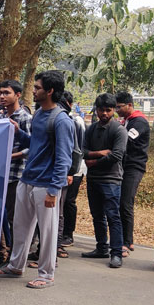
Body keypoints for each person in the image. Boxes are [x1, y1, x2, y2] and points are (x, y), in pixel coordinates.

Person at [0, 71, 74, 288]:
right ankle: (16, 265)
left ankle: (46, 274)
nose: (34, 91)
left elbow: (64, 158)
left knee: (47, 232)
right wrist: (18, 132)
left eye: (37, 88)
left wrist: (54, 190)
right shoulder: (38, 115)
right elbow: (35, 144)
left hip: (46, 184)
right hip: (27, 179)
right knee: (20, 227)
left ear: (50, 91)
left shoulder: (61, 120)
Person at [81, 93, 128, 268]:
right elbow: (82, 151)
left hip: (111, 180)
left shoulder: (119, 130)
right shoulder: (91, 129)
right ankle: (101, 247)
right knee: (97, 216)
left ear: (114, 110)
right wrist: (99, 153)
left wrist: (93, 162)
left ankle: (116, 253)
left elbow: (117, 155)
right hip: (93, 179)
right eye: (101, 110)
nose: (105, 114)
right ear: (97, 109)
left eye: (108, 110)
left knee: (113, 216)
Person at [0, 80, 32, 263]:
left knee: (13, 217)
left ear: (18, 95)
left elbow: (32, 148)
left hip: (15, 174)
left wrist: (11, 156)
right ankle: (2, 253)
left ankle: (15, 258)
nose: (2, 96)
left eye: (7, 93)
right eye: (0, 93)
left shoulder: (25, 118)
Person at [115, 91, 150, 257]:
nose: (117, 110)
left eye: (119, 107)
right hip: (124, 166)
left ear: (129, 105)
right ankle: (122, 238)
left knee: (125, 202)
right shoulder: (127, 121)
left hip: (134, 167)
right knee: (120, 202)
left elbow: (127, 141)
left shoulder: (139, 122)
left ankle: (127, 242)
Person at [59, 92, 86, 248]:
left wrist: (71, 171)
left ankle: (68, 234)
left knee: (69, 201)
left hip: (75, 168)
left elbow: (78, 148)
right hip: (64, 167)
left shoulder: (75, 121)